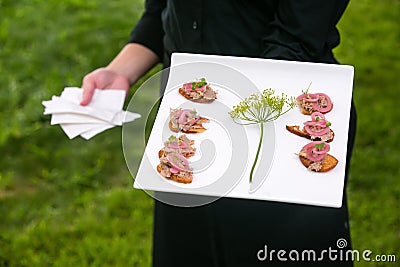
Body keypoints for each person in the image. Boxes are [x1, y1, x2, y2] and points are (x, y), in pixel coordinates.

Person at [80, 1, 357, 266]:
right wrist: (119, 71)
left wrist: (227, 121)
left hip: (278, 130)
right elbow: (164, 12)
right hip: (191, 135)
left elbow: (297, 38)